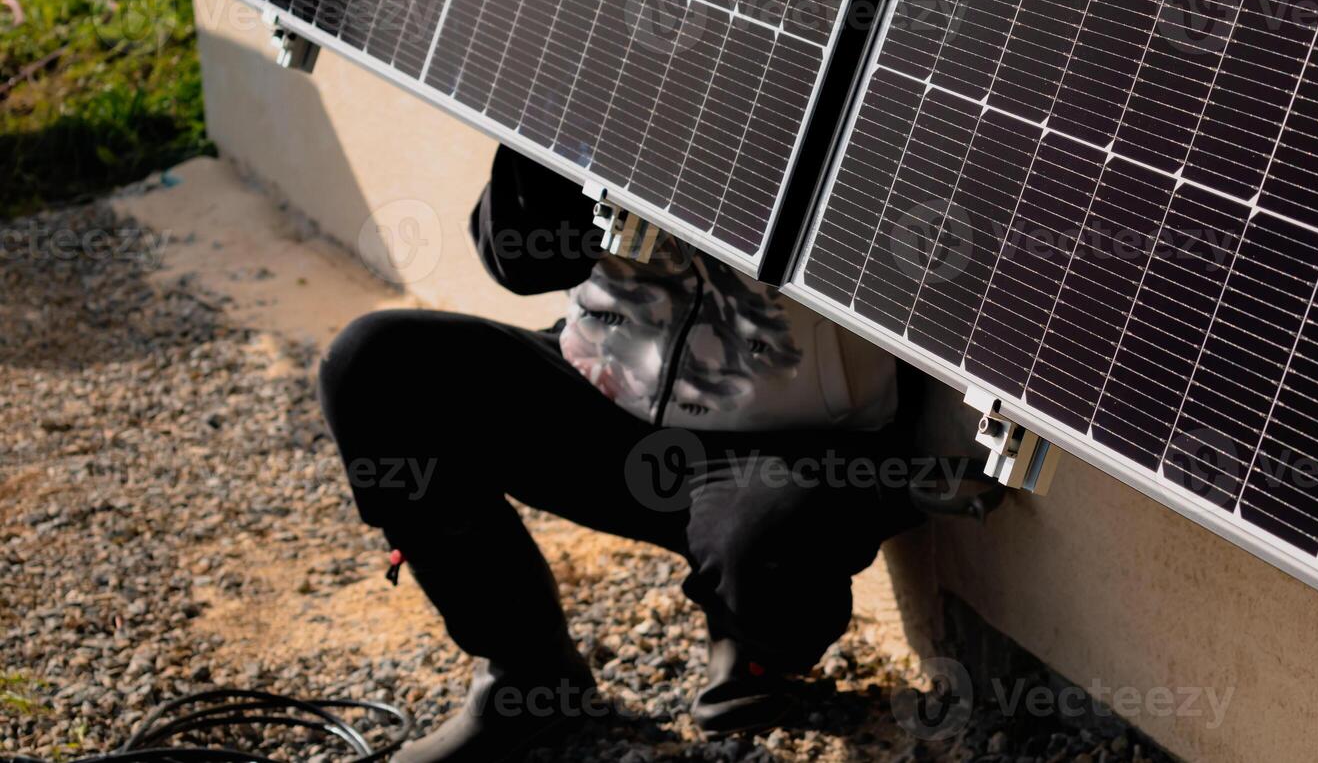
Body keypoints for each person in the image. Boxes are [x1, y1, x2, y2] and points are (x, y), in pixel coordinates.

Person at [318, 146, 926, 763]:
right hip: (606, 387)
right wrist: (553, 120)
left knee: (768, 548)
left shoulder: (851, 79)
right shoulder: (611, 60)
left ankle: (751, 633)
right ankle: (531, 677)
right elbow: (525, 261)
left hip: (790, 437)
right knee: (374, 364)